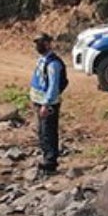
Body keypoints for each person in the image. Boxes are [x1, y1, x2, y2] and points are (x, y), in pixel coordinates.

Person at [29, 33, 66, 173]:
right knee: (41, 131)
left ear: (48, 44)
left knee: (48, 132)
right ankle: (46, 158)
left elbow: (53, 87)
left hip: (48, 104)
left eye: (41, 43)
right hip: (38, 101)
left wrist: (46, 104)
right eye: (37, 43)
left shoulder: (53, 64)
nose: (38, 46)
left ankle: (51, 162)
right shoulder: (42, 60)